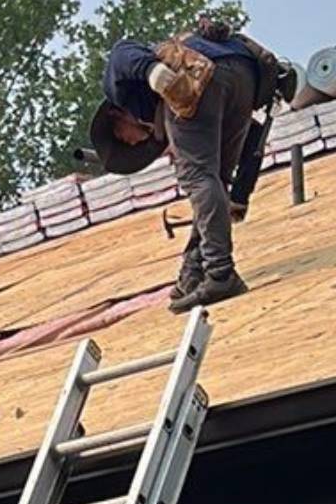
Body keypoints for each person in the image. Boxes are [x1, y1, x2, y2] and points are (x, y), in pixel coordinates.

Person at [90, 23, 276, 311]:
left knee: (200, 178)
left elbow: (121, 51)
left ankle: (220, 273)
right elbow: (251, 146)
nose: (131, 142)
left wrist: (153, 72)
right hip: (244, 75)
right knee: (215, 182)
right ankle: (194, 272)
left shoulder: (121, 93)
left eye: (120, 136)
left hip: (199, 78)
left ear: (116, 114)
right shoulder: (156, 114)